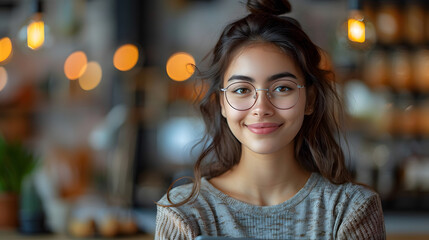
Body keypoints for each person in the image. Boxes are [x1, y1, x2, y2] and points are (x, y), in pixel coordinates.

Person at [155, 0, 386, 239]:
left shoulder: (350, 209)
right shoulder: (184, 212)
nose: (261, 108)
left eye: (282, 88)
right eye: (242, 90)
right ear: (221, 103)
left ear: (310, 100)